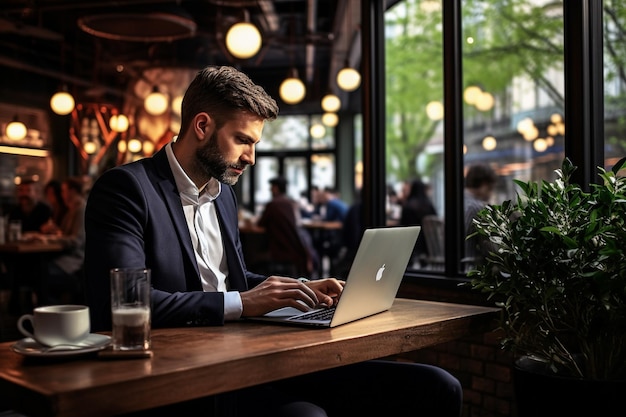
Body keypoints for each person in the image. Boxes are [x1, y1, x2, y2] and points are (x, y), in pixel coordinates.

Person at [84, 65, 462, 417]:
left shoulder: (223, 195)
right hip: (185, 376)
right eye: (242, 140)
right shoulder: (128, 189)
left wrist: (298, 289)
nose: (251, 157)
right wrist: (244, 303)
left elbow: (229, 280)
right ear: (202, 125)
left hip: (251, 356)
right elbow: (122, 304)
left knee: (438, 386)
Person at [38, 176, 87, 305]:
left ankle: (52, 312)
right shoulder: (72, 210)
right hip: (65, 258)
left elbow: (77, 240)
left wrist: (52, 239)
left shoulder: (81, 210)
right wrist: (55, 232)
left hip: (75, 262)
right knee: (38, 268)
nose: (62, 194)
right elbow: (65, 234)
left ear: (72, 191)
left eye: (63, 190)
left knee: (42, 274)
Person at [257, 177, 318, 277]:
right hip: (297, 249)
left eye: (271, 187)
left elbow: (261, 224)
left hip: (279, 249)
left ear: (276, 188)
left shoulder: (273, 204)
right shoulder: (292, 203)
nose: (270, 190)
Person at [464, 163, 498, 264]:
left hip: (454, 266)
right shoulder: (477, 208)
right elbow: (493, 252)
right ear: (484, 184)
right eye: (491, 188)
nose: (491, 192)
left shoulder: (455, 202)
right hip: (472, 268)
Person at [399, 179, 437, 266]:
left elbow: (403, 226)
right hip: (429, 242)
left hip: (412, 243)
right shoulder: (429, 205)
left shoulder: (408, 205)